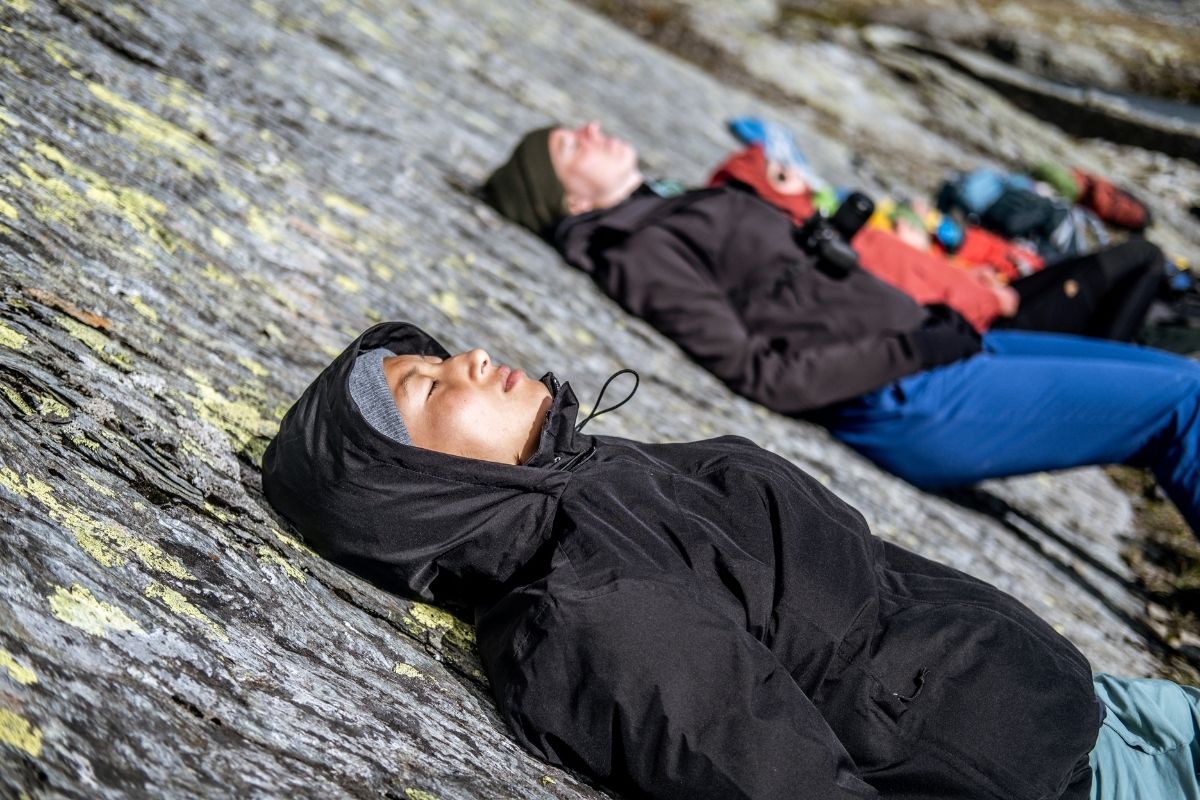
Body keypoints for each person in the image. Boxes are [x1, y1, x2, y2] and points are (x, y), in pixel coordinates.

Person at [261, 320, 1200, 800]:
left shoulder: (593, 475)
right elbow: (770, 778)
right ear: (412, 485)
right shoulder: (590, 604)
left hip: (1099, 705)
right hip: (1072, 778)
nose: (466, 355)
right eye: (425, 388)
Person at [481, 122, 1200, 535]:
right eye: (571, 145)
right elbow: (758, 370)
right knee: (1182, 400)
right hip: (913, 390)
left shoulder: (656, 210)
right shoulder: (638, 249)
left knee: (1182, 388)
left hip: (938, 345)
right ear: (567, 194)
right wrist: (916, 346)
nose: (592, 130)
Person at [708, 143, 1166, 341]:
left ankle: (1110, 348)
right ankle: (1095, 358)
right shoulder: (825, 241)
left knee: (1142, 274)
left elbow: (920, 275)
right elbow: (913, 289)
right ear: (768, 197)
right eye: (780, 174)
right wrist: (987, 292)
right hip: (996, 316)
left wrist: (975, 272)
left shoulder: (831, 230)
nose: (793, 169)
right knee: (1144, 258)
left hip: (991, 293)